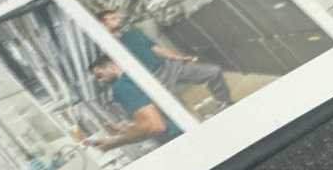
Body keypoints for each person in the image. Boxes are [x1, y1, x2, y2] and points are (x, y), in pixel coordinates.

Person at [96, 8, 233, 108]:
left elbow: (156, 48)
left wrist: (179, 58)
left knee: (213, 72)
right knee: (176, 109)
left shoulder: (133, 33)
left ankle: (224, 102)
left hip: (168, 67)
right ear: (103, 24)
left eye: (117, 17)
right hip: (153, 81)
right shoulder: (108, 48)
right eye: (113, 19)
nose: (119, 19)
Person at [86, 57, 184, 150]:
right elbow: (155, 113)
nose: (100, 81)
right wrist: (127, 129)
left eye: (100, 75)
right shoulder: (138, 75)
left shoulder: (121, 86)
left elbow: (155, 125)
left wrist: (113, 143)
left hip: (175, 137)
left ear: (112, 65)